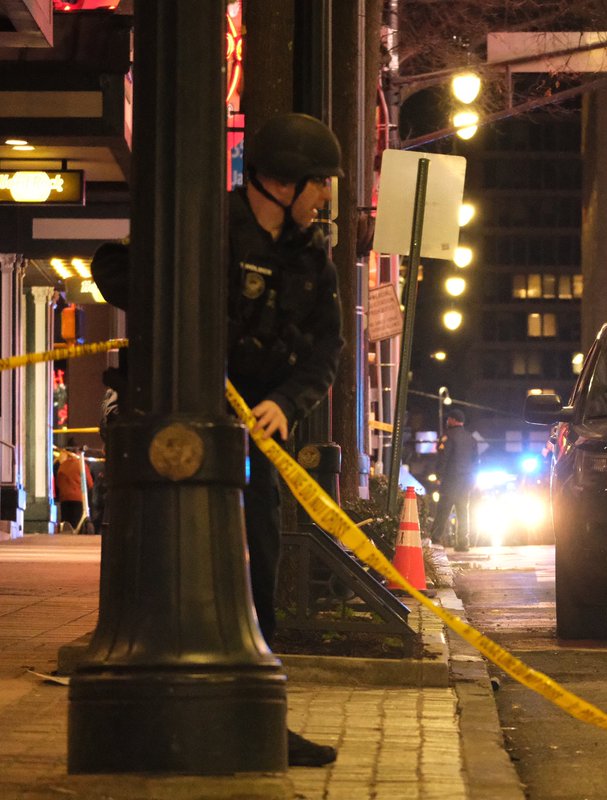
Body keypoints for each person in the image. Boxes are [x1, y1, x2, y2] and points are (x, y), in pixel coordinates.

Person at [91, 112, 345, 768]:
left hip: (255, 438)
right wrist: (180, 324)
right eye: (320, 184)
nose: (324, 198)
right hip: (187, 433)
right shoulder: (204, 227)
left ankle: (260, 720)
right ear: (283, 183)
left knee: (259, 569)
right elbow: (112, 268)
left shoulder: (314, 261)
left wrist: (285, 404)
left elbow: (326, 349)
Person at [429, 407, 478, 551]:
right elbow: (476, 462)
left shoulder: (447, 437)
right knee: (463, 511)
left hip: (451, 481)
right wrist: (472, 480)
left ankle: (436, 540)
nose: (447, 421)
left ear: (453, 420)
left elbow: (443, 458)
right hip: (466, 482)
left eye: (448, 419)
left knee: (443, 510)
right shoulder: (471, 438)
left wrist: (438, 476)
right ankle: (463, 542)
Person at [54, 439, 92, 532]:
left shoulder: (62, 466)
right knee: (77, 527)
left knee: (66, 527)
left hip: (65, 500)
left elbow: (58, 483)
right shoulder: (81, 464)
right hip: (78, 500)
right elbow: (90, 483)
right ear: (78, 451)